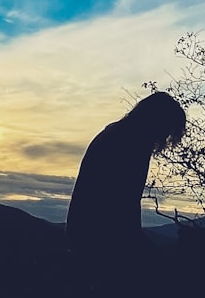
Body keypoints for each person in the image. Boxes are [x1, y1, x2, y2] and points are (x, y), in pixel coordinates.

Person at [65, 92, 185, 274]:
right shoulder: (133, 142)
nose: (166, 137)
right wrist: (135, 243)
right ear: (158, 121)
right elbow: (124, 202)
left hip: (85, 229)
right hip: (100, 234)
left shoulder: (119, 133)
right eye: (168, 130)